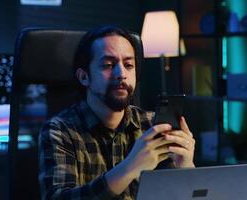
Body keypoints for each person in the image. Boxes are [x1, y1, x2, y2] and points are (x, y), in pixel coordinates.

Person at [38, 25, 195, 200]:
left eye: (129, 65)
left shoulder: (152, 125)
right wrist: (130, 167)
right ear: (84, 77)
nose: (121, 74)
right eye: (108, 65)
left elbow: (175, 195)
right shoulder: (60, 130)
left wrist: (186, 168)